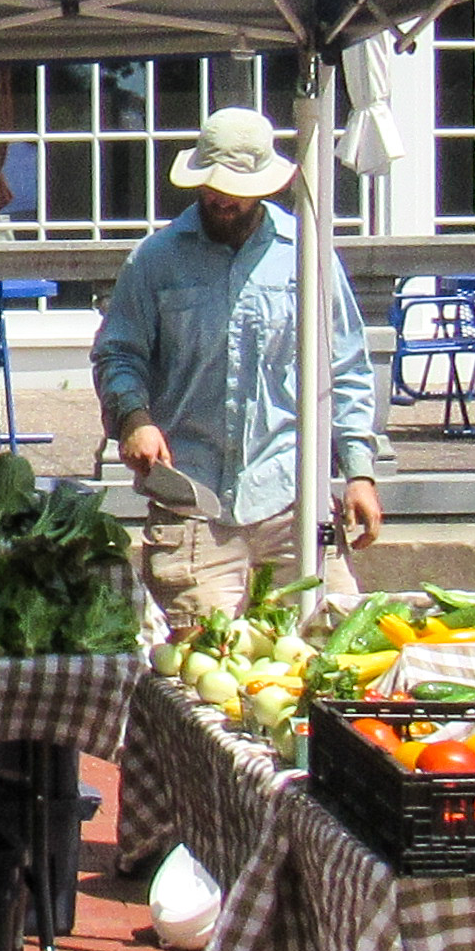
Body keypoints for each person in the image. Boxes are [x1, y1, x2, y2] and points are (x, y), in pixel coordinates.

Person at [91, 102, 386, 643]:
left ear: (267, 186)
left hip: (293, 495)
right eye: (212, 186)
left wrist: (360, 473)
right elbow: (118, 352)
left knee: (335, 651)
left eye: (235, 188)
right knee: (204, 665)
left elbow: (343, 366)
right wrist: (134, 417)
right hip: (193, 498)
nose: (222, 198)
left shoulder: (308, 252)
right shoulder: (154, 259)